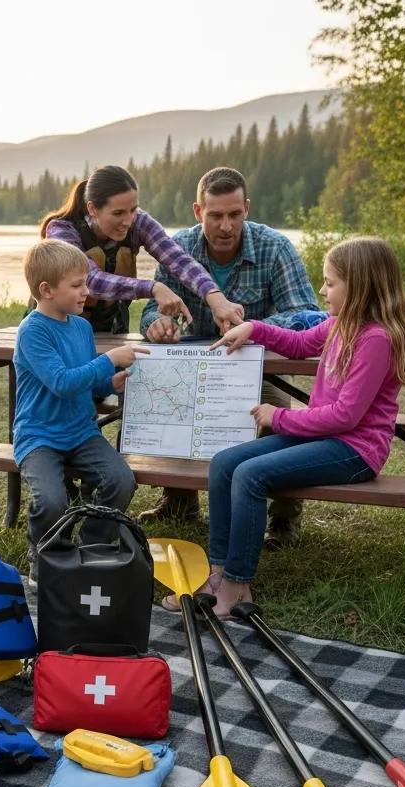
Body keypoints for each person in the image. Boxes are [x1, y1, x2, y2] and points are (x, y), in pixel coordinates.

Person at [167, 236, 405, 619]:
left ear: (359, 285)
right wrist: (253, 328)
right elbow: (300, 344)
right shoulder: (340, 324)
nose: (323, 290)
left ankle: (237, 584)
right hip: (322, 436)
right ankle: (217, 574)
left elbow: (346, 417)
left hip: (355, 449)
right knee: (224, 464)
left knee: (250, 475)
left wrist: (278, 417)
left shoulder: (376, 340)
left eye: (330, 283)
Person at [138, 167, 323, 547]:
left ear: (247, 208)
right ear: (197, 211)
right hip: (194, 366)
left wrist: (254, 326)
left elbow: (307, 313)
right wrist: (157, 323)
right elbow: (152, 310)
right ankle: (179, 500)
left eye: (235, 214)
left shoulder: (275, 247)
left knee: (281, 418)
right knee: (162, 400)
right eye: (216, 215)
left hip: (259, 366)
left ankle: (283, 518)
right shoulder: (178, 248)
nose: (226, 226)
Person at [14, 239, 149, 587]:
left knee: (121, 481)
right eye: (77, 285)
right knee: (51, 500)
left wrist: (111, 382)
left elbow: (88, 383)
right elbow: (62, 382)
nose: (86, 292)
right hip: (39, 436)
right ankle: (46, 556)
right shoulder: (32, 331)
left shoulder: (82, 327)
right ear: (46, 290)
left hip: (81, 432)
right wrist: (108, 360)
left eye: (85, 283)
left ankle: (91, 547)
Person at [41, 165, 245, 337]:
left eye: (133, 209)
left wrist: (215, 298)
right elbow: (89, 280)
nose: (128, 221)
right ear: (93, 209)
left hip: (111, 332)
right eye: (118, 213)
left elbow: (179, 260)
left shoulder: (139, 222)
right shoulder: (62, 231)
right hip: (56, 331)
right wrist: (152, 287)